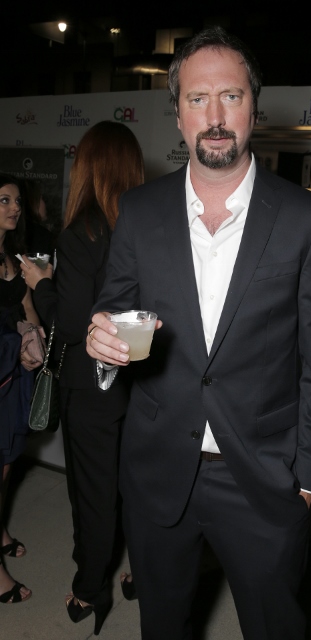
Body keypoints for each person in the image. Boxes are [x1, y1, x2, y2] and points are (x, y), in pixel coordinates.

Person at [86, 27, 311, 640]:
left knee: (275, 626)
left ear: (254, 106)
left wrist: (307, 479)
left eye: (230, 95)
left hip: (263, 477)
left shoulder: (307, 219)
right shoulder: (140, 211)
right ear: (177, 113)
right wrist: (103, 347)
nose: (216, 115)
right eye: (198, 99)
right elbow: (115, 316)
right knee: (163, 626)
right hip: (157, 474)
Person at [20, 122, 145, 634]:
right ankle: (143, 570)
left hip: (92, 388)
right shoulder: (148, 228)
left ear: (87, 167)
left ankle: (91, 590)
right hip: (144, 380)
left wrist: (44, 285)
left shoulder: (81, 233)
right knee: (135, 484)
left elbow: (71, 323)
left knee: (93, 493)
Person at [0, 173, 42, 604]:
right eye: (4, 200)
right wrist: (18, 342)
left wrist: (37, 341)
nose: (14, 207)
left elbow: (28, 308)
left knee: (9, 464)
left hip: (14, 380)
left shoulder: (13, 257)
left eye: (15, 201)